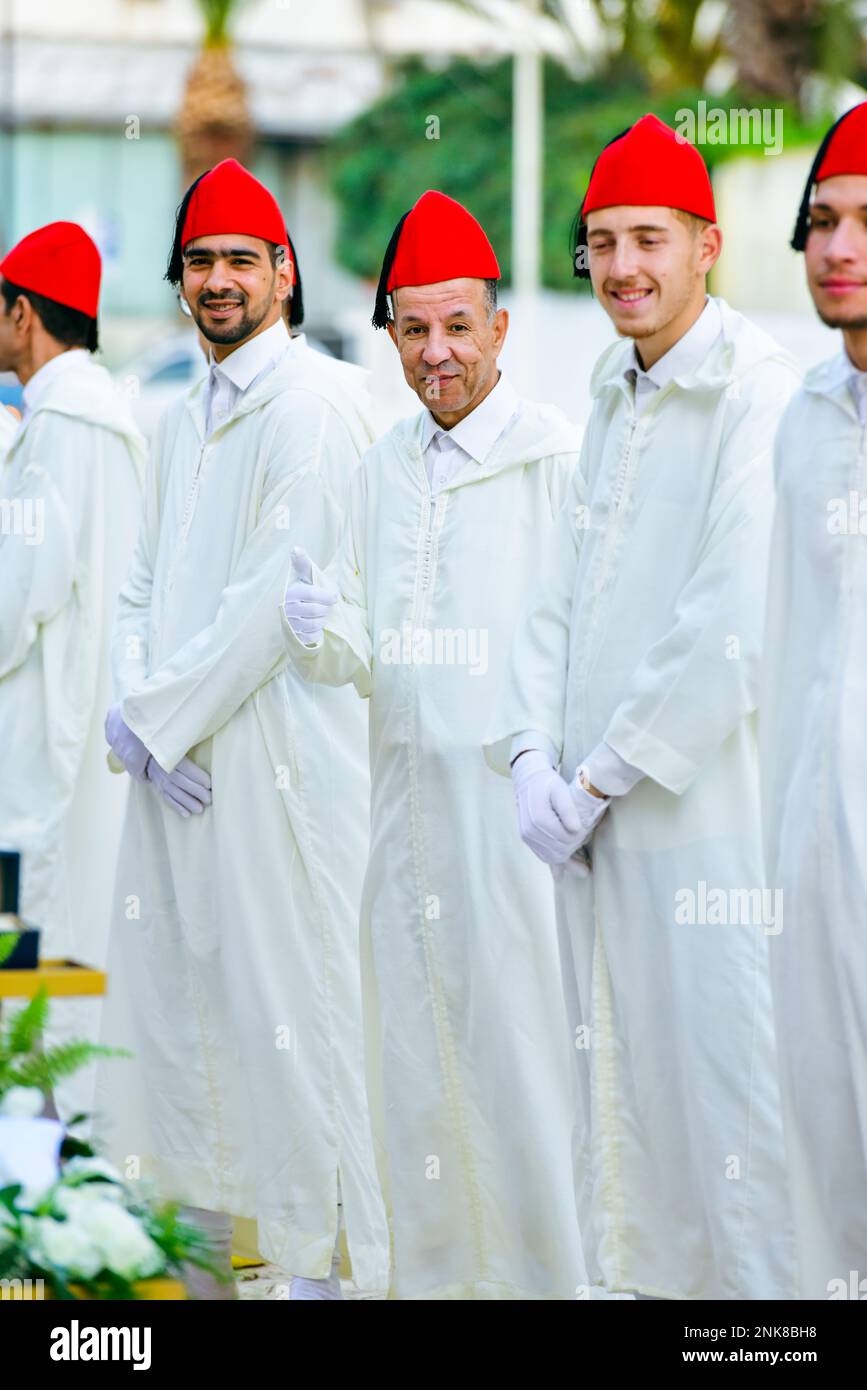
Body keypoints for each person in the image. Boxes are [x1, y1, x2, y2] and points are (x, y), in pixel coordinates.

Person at [485, 115, 800, 1299]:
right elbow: (554, 597)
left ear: (707, 245)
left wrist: (601, 774)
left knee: (731, 1114)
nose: (622, 268)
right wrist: (527, 755)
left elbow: (732, 624)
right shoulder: (612, 392)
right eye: (602, 243)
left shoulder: (758, 395)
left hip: (703, 827)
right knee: (622, 1107)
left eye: (648, 240)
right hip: (593, 832)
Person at [282, 189, 586, 1300]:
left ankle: (554, 1284)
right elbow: (363, 647)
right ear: (393, 335)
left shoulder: (552, 459)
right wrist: (319, 634)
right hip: (398, 814)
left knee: (523, 1069)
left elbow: (581, 633)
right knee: (413, 1066)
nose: (437, 352)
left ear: (500, 326)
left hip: (512, 830)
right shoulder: (378, 467)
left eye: (458, 325)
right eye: (414, 329)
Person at [95, 159, 388, 1300]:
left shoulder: (312, 408)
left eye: (238, 261)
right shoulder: (181, 414)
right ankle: (227, 1266)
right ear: (179, 284)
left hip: (281, 775)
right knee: (191, 1012)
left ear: (285, 273)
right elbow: (140, 586)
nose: (217, 281)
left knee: (296, 1015)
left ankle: (327, 1272)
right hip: (179, 770)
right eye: (200, 263)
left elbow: (272, 602)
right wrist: (131, 718)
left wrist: (157, 722)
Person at [0, 222, 145, 1123]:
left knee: (33, 960)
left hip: (42, 742)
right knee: (78, 954)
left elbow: (16, 601)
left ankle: (42, 1213)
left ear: (23, 315)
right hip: (96, 732)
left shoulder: (58, 430)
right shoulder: (117, 418)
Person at [761, 100, 867, 1300]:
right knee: (825, 1178)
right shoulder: (803, 422)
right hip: (814, 872)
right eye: (824, 222)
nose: (841, 248)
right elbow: (789, 648)